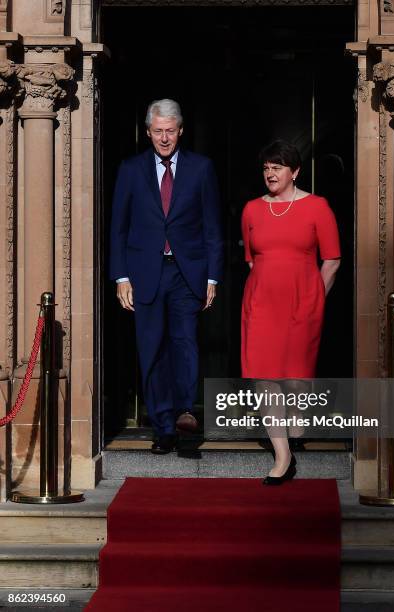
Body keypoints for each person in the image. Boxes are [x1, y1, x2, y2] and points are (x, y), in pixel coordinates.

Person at [110, 99, 223, 454]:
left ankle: (185, 410)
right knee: (152, 350)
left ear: (181, 131)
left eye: (169, 131)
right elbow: (119, 229)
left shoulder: (201, 169)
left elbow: (213, 228)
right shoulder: (130, 170)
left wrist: (213, 279)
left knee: (185, 343)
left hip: (187, 273)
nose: (163, 138)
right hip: (144, 275)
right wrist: (120, 277)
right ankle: (163, 428)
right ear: (148, 132)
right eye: (157, 131)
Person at [241, 140, 340, 484]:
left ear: (295, 171)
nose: (270, 173)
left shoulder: (317, 207)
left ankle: (296, 420)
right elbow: (252, 260)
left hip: (303, 302)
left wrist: (317, 299)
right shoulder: (252, 209)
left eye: (277, 167)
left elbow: (332, 259)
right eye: (266, 167)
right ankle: (283, 455)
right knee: (264, 376)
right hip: (261, 303)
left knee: (296, 376)